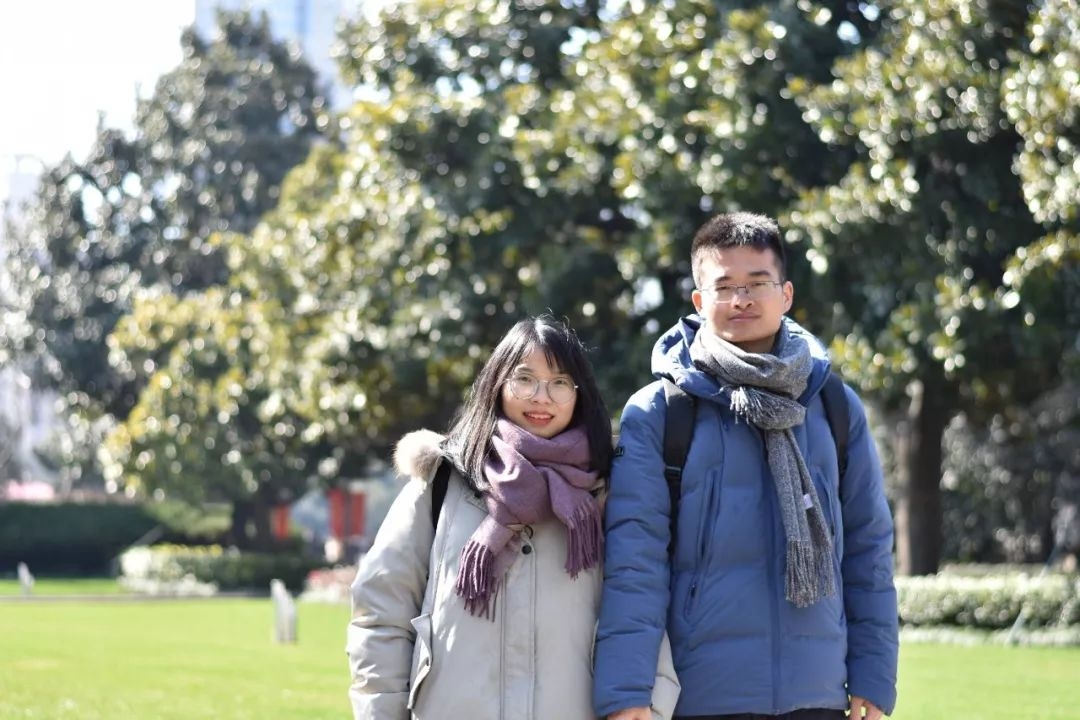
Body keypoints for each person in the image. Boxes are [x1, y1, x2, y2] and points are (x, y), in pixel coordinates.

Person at [593, 213, 898, 720]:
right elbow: (635, 562)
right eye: (724, 286)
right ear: (699, 301)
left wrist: (874, 674)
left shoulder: (834, 407)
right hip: (699, 695)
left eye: (757, 283)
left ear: (786, 294)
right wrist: (626, 693)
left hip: (817, 693)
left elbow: (869, 549)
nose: (741, 300)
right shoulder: (660, 412)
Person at [347, 315, 680, 720]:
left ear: (579, 395)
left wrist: (652, 709)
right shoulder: (442, 481)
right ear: (498, 383)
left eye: (560, 383)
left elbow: (641, 604)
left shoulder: (608, 490)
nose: (541, 397)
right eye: (524, 379)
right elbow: (381, 612)